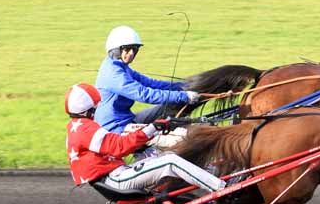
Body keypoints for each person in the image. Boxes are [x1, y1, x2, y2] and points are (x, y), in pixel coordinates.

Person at [65, 83, 224, 193]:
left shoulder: (78, 126)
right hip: (116, 179)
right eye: (95, 106)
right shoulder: (85, 129)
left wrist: (151, 129)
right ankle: (221, 188)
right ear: (87, 108)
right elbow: (120, 147)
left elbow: (117, 144)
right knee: (170, 162)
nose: (97, 108)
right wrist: (152, 128)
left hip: (115, 175)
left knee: (169, 156)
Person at [94, 25, 201, 134]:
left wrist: (183, 86)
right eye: (127, 49)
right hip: (115, 128)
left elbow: (150, 83)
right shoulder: (113, 73)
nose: (131, 53)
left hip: (126, 119)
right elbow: (144, 94)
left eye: (134, 49)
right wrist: (184, 96)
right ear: (115, 50)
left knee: (168, 107)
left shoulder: (120, 67)